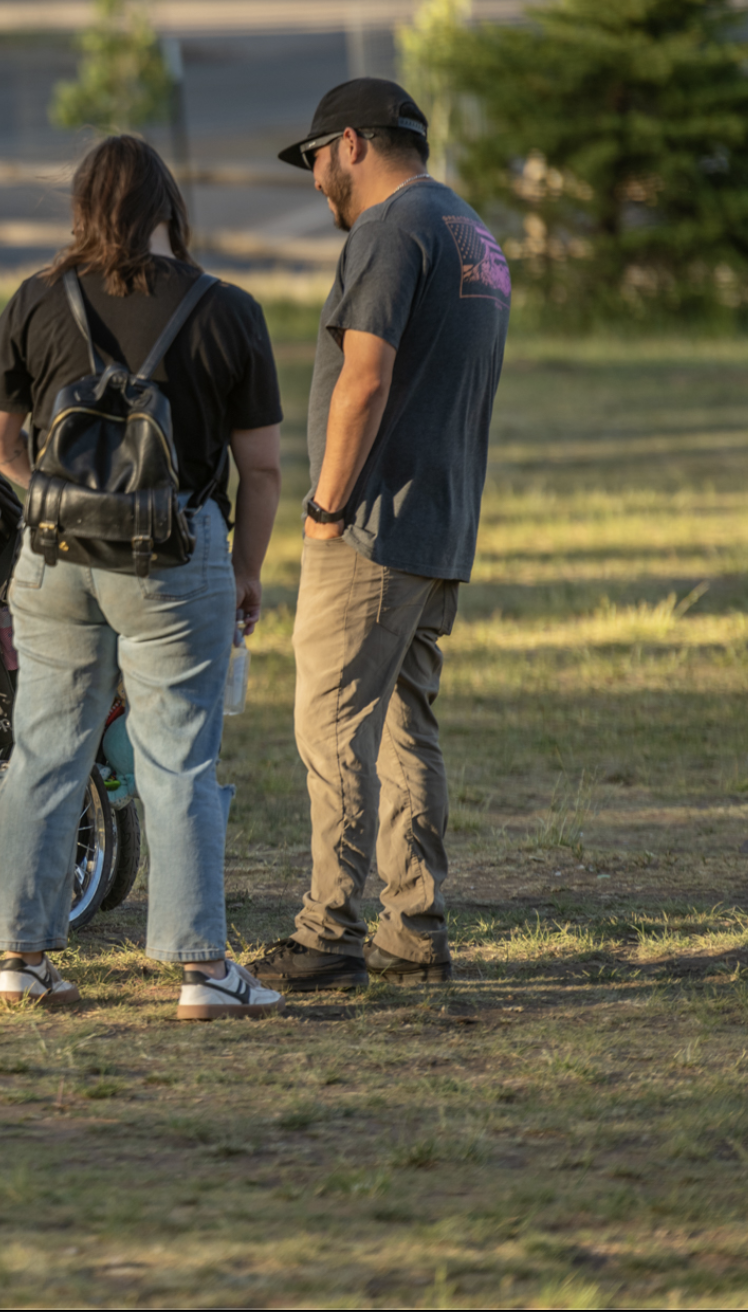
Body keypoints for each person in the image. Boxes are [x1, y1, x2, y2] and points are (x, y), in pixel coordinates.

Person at [0, 133, 286, 1018]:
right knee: (178, 760)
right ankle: (200, 972)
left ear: (80, 206)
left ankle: (22, 959)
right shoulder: (227, 310)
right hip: (176, 556)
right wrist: (248, 567)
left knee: (42, 752)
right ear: (165, 210)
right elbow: (260, 468)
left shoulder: (36, 300)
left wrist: (57, 502)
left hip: (58, 560)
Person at [249, 78, 509, 992]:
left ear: (352, 144)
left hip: (375, 524)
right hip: (442, 521)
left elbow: (365, 379)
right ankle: (414, 923)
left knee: (330, 726)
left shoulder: (389, 231)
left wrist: (325, 508)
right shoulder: (470, 231)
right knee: (406, 728)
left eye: (317, 158)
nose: (316, 179)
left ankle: (328, 932)